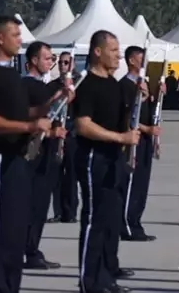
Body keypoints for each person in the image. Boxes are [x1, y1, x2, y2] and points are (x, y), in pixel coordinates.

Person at [0, 16, 54, 293]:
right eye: (15, 35)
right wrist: (29, 125)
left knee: (15, 235)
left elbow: (23, 113)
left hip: (18, 161)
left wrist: (48, 106)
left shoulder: (13, 75)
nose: (20, 39)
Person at [73, 30, 140, 293]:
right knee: (93, 220)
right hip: (93, 158)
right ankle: (89, 281)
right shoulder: (87, 84)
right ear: (97, 51)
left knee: (110, 221)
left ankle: (105, 277)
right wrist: (119, 136)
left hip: (114, 159)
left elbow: (124, 120)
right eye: (113, 50)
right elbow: (83, 125)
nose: (118, 56)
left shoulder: (115, 85)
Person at [20, 41, 65, 270]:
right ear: (34, 60)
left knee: (40, 204)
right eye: (47, 58)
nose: (51, 62)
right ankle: (28, 250)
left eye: (52, 58)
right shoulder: (28, 85)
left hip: (46, 152)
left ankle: (31, 248)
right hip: (31, 152)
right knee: (33, 205)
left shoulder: (45, 86)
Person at [121, 44, 161, 243]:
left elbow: (150, 112)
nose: (144, 62)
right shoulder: (126, 86)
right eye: (140, 58)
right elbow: (130, 117)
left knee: (142, 184)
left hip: (145, 141)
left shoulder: (143, 84)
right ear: (131, 60)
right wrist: (147, 129)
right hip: (132, 141)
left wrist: (155, 95)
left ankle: (136, 222)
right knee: (132, 185)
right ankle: (126, 225)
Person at [52, 50, 80, 224]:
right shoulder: (54, 85)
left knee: (71, 175)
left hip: (72, 134)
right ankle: (58, 211)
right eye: (61, 62)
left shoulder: (80, 84)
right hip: (55, 133)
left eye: (67, 63)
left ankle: (70, 212)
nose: (63, 66)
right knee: (55, 175)